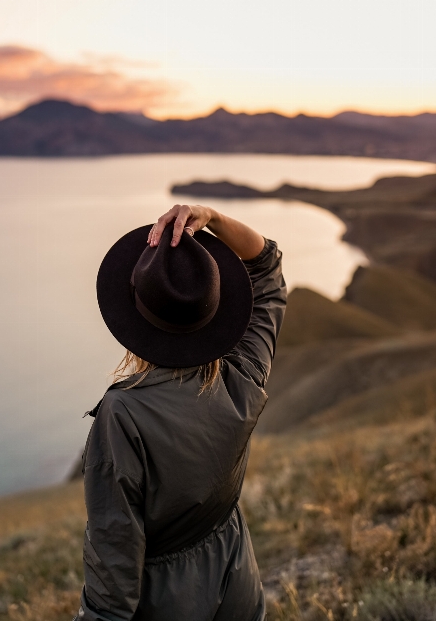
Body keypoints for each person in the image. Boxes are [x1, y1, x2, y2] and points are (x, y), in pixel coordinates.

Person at [74, 204, 287, 621]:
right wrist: (215, 218)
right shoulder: (242, 374)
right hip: (237, 576)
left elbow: (113, 558)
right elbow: (267, 268)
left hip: (168, 603)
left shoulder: (123, 414)